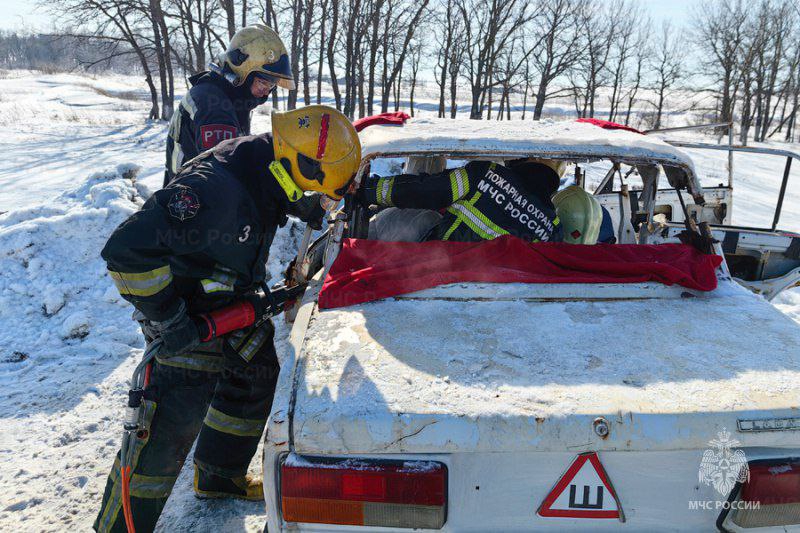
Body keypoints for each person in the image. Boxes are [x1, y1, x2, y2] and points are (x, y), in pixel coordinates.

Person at [94, 105, 361, 533]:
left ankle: (219, 476)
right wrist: (172, 319)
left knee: (256, 372)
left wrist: (308, 208)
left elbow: (272, 189)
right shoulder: (210, 191)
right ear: (298, 161)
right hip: (188, 315)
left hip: (231, 303)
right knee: (168, 431)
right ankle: (118, 528)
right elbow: (125, 250)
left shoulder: (264, 158)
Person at [164, 25, 295, 187]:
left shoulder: (230, 98)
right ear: (243, 70)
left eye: (271, 86)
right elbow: (228, 171)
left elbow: (241, 156)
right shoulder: (213, 104)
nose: (266, 92)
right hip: (192, 199)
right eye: (263, 82)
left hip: (195, 195)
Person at [357, 158, 564, 243]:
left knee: (420, 217)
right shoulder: (553, 226)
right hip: (503, 300)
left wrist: (368, 190)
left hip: (438, 272)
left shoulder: (486, 174)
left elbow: (425, 190)